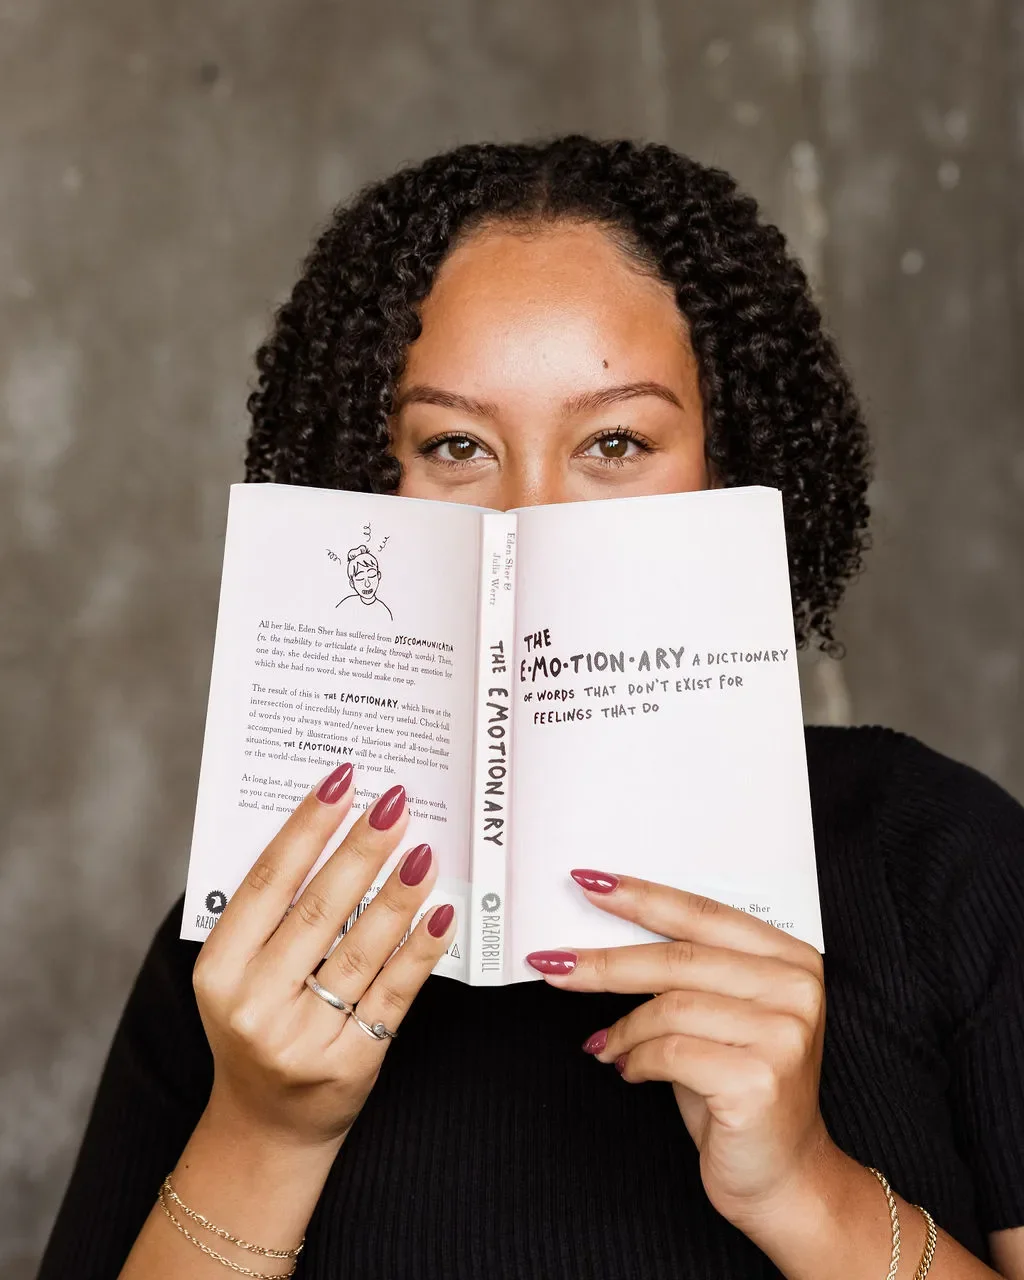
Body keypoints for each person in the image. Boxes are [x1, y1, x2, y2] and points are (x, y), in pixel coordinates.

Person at [38, 136, 1024, 1280]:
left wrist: (807, 1187)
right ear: (370, 482)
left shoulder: (946, 864)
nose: (530, 524)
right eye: (455, 445)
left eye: (615, 441)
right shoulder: (257, 939)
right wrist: (264, 1128)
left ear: (732, 464)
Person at [336, 544, 394, 622]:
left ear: (378, 575)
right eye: (360, 579)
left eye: (371, 575)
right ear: (352, 583)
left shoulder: (384, 612)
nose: (367, 584)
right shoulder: (346, 605)